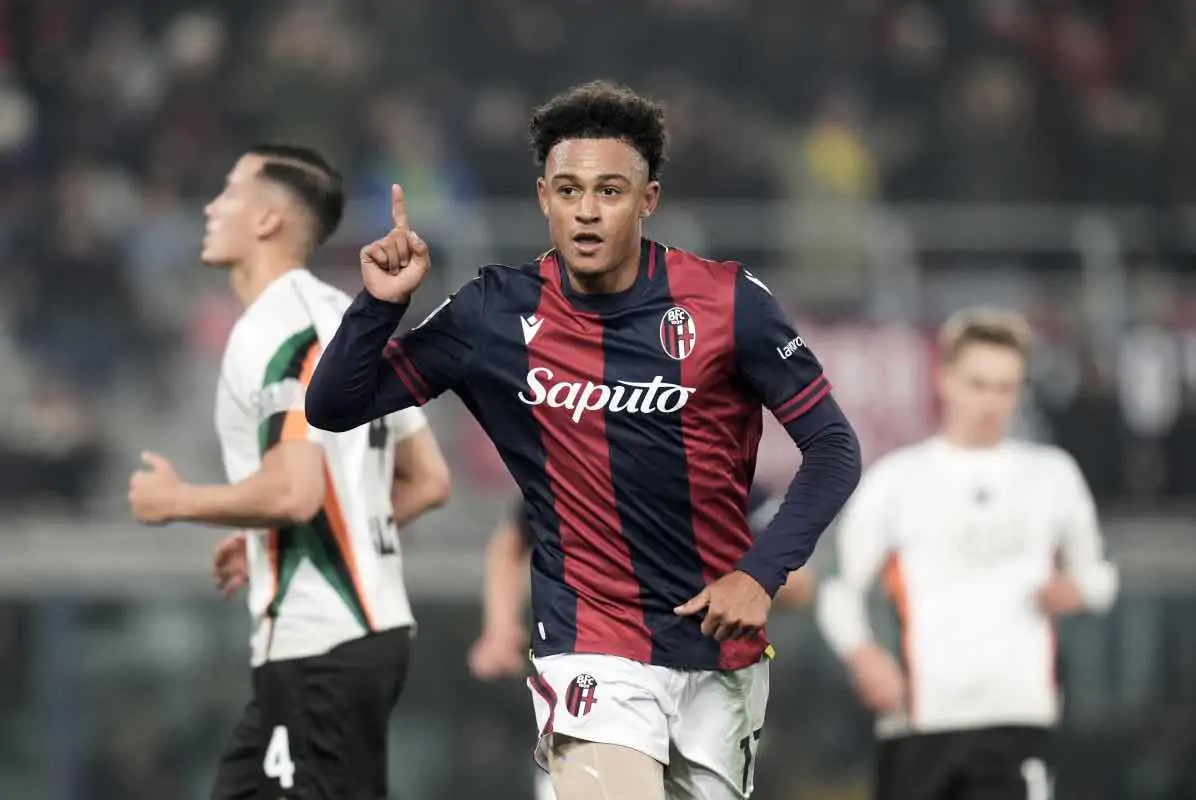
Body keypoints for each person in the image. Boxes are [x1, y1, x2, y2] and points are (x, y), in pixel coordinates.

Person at [305, 81, 862, 800]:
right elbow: (335, 405)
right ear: (544, 198)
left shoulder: (728, 303)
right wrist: (378, 307)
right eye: (569, 191)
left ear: (648, 199)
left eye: (609, 191)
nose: (587, 211)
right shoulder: (493, 312)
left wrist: (760, 574)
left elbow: (834, 448)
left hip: (719, 654)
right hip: (589, 643)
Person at [127, 143, 452, 799]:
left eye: (229, 191)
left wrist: (176, 499)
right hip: (350, 640)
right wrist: (270, 535)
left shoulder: (278, 327)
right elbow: (428, 479)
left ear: (268, 218)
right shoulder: (347, 320)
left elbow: (294, 491)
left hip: (323, 644)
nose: (211, 207)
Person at [816, 308, 1119, 800]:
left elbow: (1102, 578)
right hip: (919, 717)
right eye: (979, 384)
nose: (991, 401)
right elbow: (838, 589)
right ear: (946, 380)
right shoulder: (897, 480)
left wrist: (1077, 589)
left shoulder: (1051, 475)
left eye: (1006, 387)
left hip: (1017, 713)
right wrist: (863, 656)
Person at [469, 489, 815, 800]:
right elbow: (513, 538)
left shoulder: (727, 479)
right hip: (604, 663)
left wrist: (723, 576)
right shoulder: (582, 466)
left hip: (708, 681)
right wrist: (500, 627)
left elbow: (799, 585)